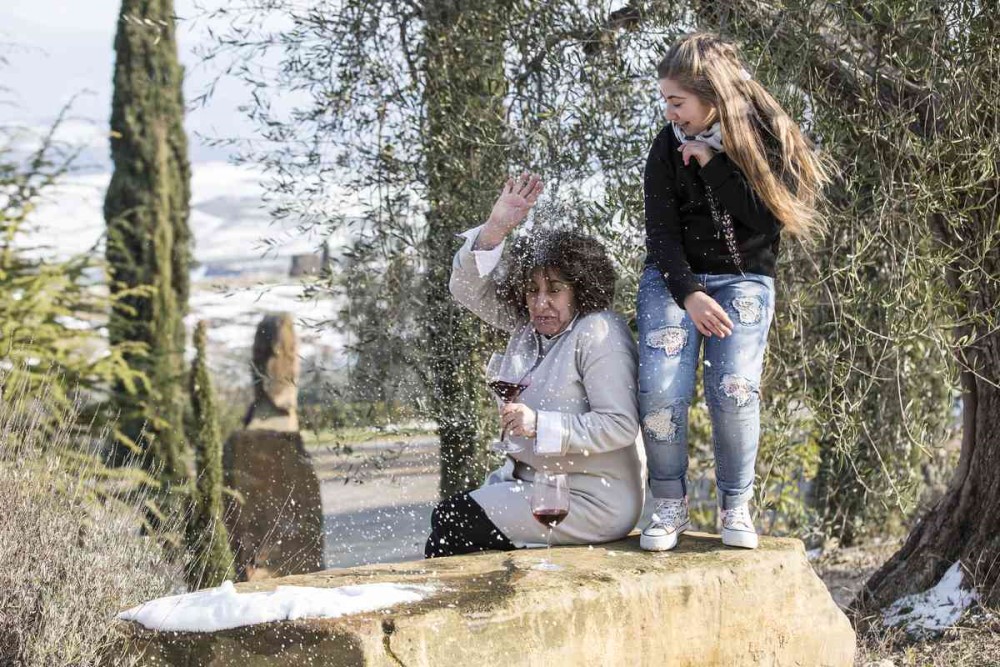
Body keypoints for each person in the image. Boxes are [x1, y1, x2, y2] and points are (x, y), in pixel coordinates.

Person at [638, 33, 831, 551]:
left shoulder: (765, 137)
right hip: (674, 279)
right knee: (660, 388)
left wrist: (712, 162)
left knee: (734, 389)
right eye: (666, 101)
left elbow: (767, 221)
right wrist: (689, 295)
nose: (669, 113)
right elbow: (660, 233)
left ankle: (735, 504)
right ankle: (669, 503)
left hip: (744, 279)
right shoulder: (664, 145)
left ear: (711, 97)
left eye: (677, 101)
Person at [425, 173, 643, 558]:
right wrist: (495, 229)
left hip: (592, 499)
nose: (541, 302)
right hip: (533, 487)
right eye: (532, 290)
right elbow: (464, 289)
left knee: (453, 519)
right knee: (449, 526)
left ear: (580, 289)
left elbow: (620, 425)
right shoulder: (527, 326)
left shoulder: (599, 331)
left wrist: (540, 424)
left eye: (555, 290)